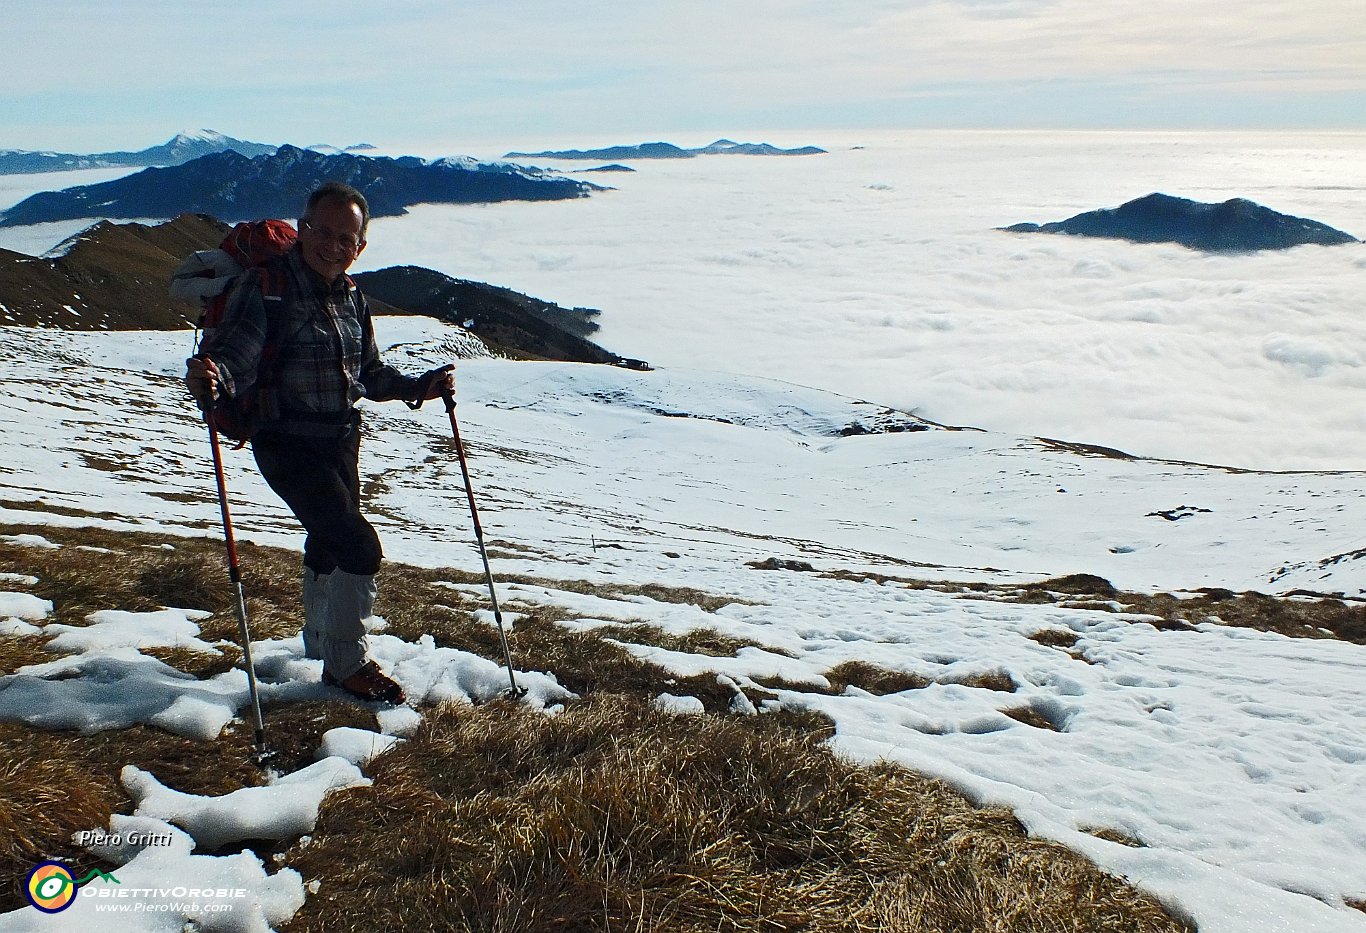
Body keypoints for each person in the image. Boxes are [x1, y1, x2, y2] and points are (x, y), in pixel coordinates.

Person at [185, 181, 453, 705]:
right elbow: (238, 354)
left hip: (340, 440)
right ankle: (345, 664)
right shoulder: (267, 288)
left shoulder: (352, 296)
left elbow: (368, 374)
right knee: (357, 546)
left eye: (345, 239)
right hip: (284, 440)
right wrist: (215, 375)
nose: (332, 246)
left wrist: (417, 387)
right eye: (321, 232)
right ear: (302, 230)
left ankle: (320, 642)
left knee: (327, 541)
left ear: (360, 248)